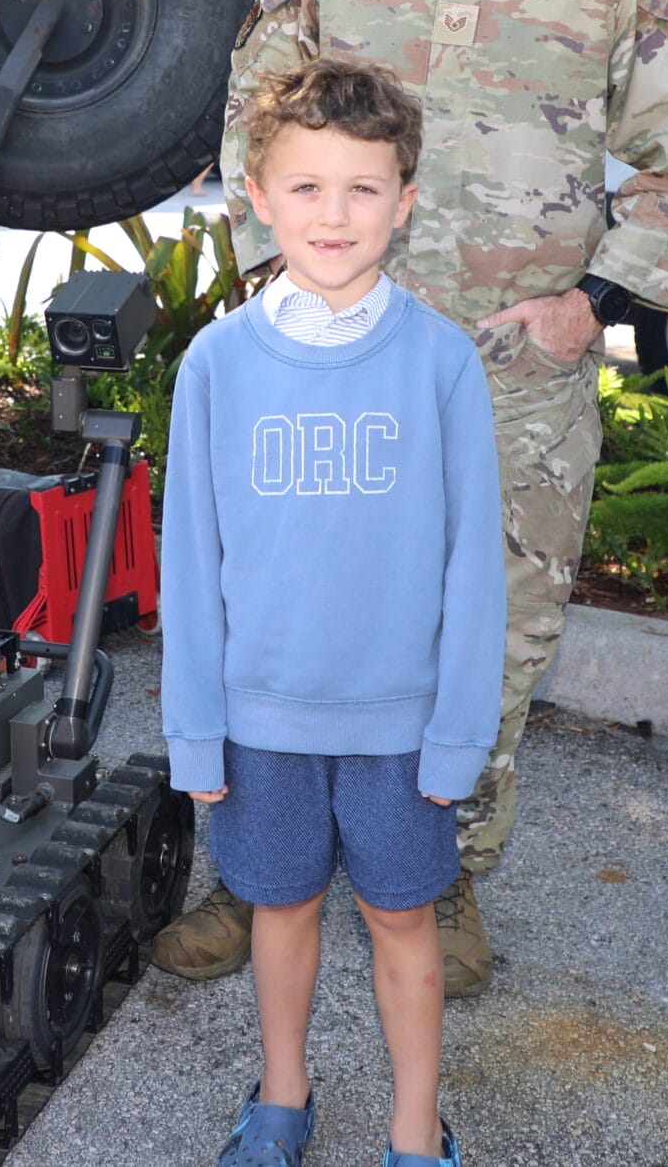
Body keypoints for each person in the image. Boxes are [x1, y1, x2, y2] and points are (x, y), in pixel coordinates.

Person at [156, 0, 668, 997]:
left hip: (508, 373)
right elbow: (253, 120)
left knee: (498, 628)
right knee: (288, 607)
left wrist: (593, 306)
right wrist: (280, 292)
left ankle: (447, 864)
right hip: (331, 362)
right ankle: (260, 868)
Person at [161, 57, 506, 1167]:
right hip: (261, 721)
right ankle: (282, 1095)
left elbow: (473, 568)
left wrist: (458, 733)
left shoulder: (441, 362)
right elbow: (190, 560)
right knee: (282, 906)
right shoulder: (217, 364)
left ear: (405, 202)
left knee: (404, 916)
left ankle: (415, 1126)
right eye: (306, 186)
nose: (334, 214)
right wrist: (194, 729)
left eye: (363, 187)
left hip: (399, 726)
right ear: (258, 197)